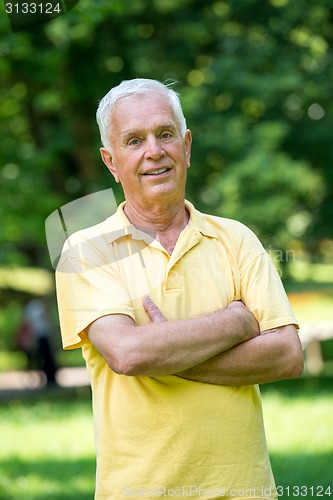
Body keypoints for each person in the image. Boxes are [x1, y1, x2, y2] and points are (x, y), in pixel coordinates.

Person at [55, 78, 304, 499]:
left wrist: (167, 352)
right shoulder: (85, 251)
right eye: (134, 140)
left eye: (165, 134)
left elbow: (286, 356)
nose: (154, 150)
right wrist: (236, 321)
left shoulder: (237, 239)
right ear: (111, 162)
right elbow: (129, 353)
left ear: (186, 146)